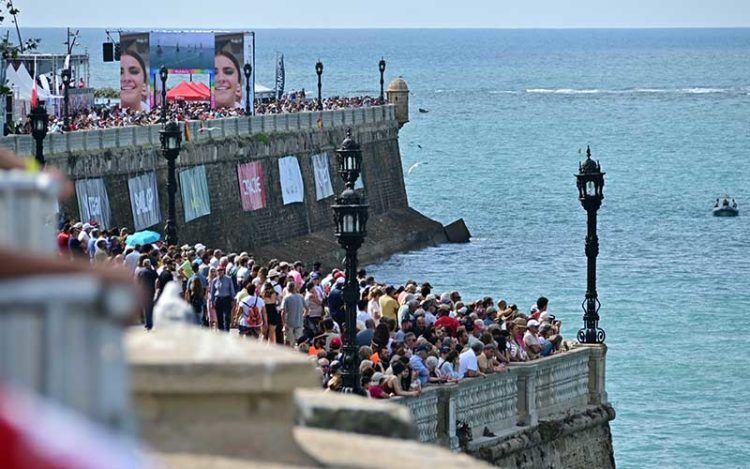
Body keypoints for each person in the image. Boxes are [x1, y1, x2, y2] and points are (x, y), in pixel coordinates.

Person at [211, 265, 236, 332]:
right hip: (218, 299)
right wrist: (212, 302)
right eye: (218, 270)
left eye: (221, 270)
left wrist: (233, 299)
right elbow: (212, 292)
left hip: (226, 299)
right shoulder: (214, 280)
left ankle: (226, 331)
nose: (220, 272)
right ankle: (221, 331)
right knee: (219, 317)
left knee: (226, 316)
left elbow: (231, 289)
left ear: (224, 271)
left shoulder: (228, 279)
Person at [281, 282, 306, 346]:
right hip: (299, 322)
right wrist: (303, 316)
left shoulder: (286, 298)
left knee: (288, 341)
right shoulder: (301, 297)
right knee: (299, 341)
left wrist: (284, 324)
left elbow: (283, 312)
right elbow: (307, 309)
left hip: (289, 323)